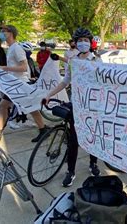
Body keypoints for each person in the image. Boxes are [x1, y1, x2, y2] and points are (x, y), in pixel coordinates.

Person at [43, 27, 100, 187]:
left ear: (91, 43)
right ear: (75, 43)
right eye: (80, 41)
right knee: (74, 140)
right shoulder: (73, 61)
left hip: (93, 106)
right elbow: (65, 81)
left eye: (86, 41)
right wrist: (49, 94)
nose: (83, 43)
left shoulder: (97, 61)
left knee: (92, 137)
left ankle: (93, 163)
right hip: (77, 105)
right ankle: (71, 171)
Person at [0, 25, 49, 141]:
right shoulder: (11, 48)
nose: (1, 33)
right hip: (15, 85)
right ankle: (43, 130)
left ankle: (43, 130)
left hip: (19, 85)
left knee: (14, 107)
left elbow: (24, 67)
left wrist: (4, 68)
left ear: (11, 33)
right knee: (24, 107)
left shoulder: (17, 48)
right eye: (1, 31)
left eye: (4, 31)